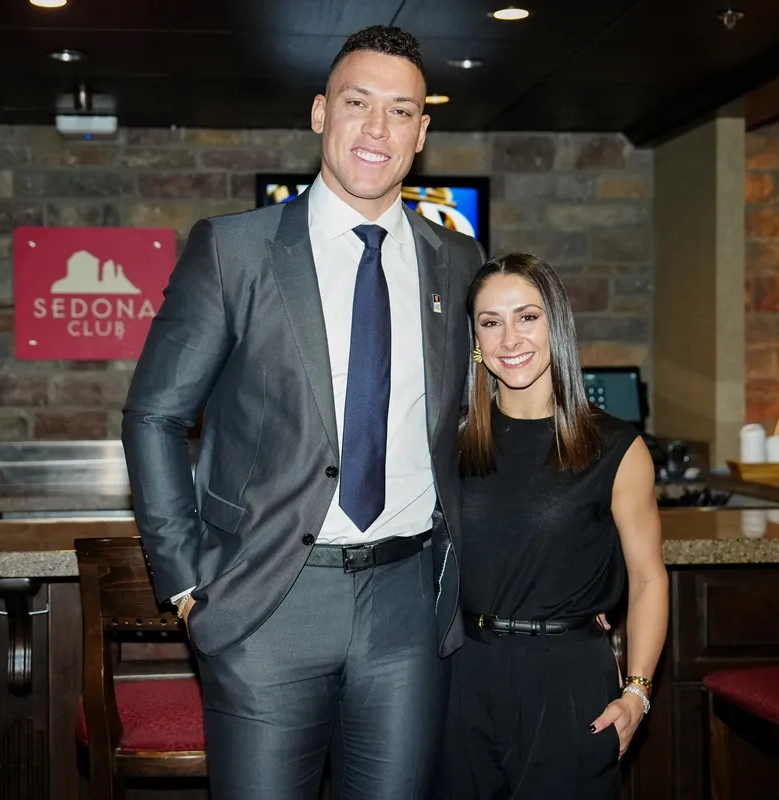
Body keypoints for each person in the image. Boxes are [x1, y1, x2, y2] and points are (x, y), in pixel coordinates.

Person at [122, 24, 487, 800]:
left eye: (400, 111)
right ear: (321, 113)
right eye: (358, 103)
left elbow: (476, 423)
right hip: (265, 603)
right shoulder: (234, 250)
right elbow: (153, 415)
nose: (376, 129)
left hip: (406, 605)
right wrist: (186, 582)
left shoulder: (457, 262)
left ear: (423, 133)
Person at [434, 253, 669, 799]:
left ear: (555, 324)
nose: (510, 339)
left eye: (527, 317)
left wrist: (637, 691)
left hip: (567, 678)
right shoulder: (448, 440)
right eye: (490, 322)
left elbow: (649, 578)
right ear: (474, 340)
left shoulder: (615, 447)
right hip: (462, 673)